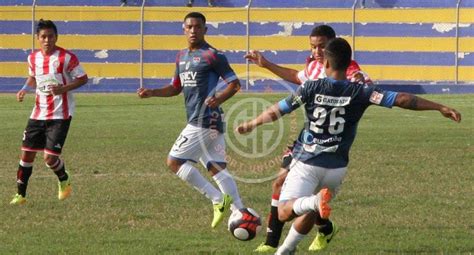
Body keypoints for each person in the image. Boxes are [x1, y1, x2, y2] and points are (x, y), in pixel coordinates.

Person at [236, 38, 461, 254]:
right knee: (311, 210)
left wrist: (252, 124)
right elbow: (402, 99)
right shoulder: (361, 92)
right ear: (348, 63)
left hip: (307, 162)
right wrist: (438, 106)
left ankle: (311, 205)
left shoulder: (311, 88)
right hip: (337, 169)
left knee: (285, 210)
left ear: (324, 62)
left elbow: (279, 109)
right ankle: (286, 250)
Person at [245, 25, 371, 253]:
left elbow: (363, 83)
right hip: (306, 141)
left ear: (333, 46)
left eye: (321, 46)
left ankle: (298, 237)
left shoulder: (349, 70)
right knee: (282, 184)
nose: (316, 51)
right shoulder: (314, 66)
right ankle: (279, 241)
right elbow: (296, 77)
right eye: (313, 46)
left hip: (328, 145)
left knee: (302, 196)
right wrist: (267, 65)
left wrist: (361, 79)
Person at [137, 12, 244, 228]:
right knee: (217, 169)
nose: (193, 30)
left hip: (204, 120)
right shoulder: (181, 57)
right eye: (189, 27)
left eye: (197, 27)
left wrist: (218, 98)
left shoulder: (213, 56)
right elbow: (176, 88)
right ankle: (241, 213)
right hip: (206, 121)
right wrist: (153, 92)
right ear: (183, 29)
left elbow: (234, 84)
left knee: (174, 162)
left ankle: (217, 200)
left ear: (205, 29)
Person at [10, 19, 88, 205]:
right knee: (26, 154)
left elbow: (83, 78)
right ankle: (21, 195)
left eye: (51, 36)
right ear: (37, 38)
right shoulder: (32, 58)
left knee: (49, 158)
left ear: (56, 37)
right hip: (38, 113)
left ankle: (63, 178)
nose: (47, 40)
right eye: (43, 37)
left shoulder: (66, 58)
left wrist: (64, 88)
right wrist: (24, 89)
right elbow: (32, 78)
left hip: (60, 114)